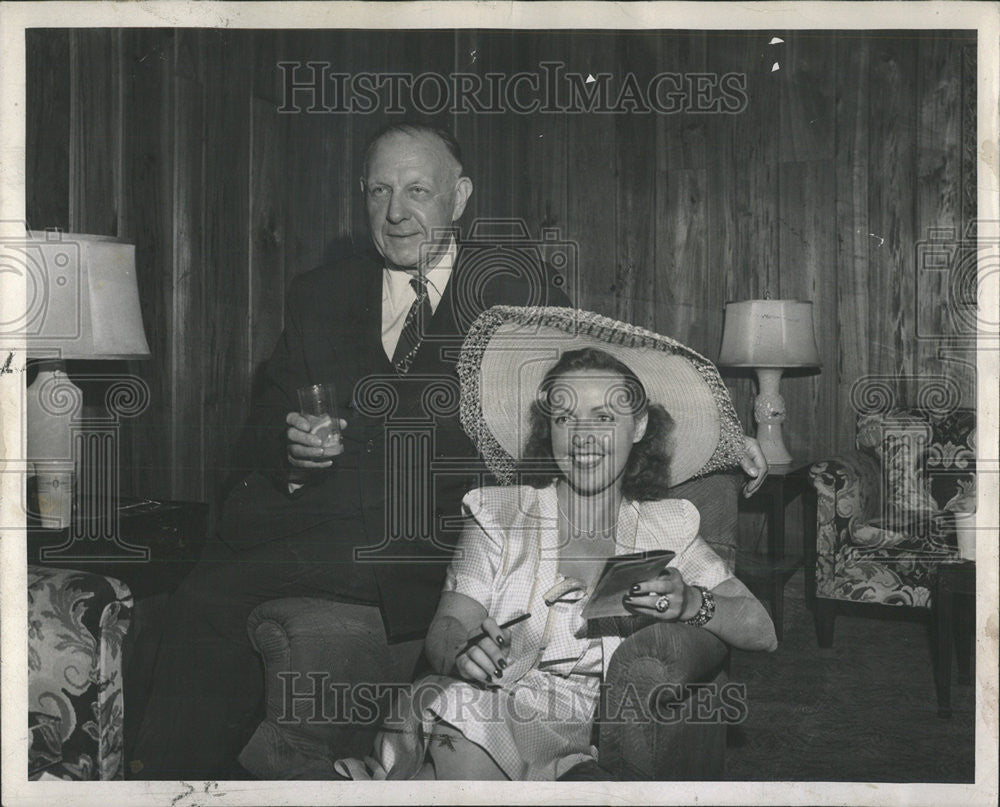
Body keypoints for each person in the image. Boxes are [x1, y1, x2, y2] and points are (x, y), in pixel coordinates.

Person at [132, 121, 769, 779]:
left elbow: (604, 377)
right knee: (204, 592)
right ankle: (171, 783)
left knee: (213, 592)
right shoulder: (319, 293)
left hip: (437, 538)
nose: (396, 211)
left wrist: (721, 439)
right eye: (379, 191)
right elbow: (264, 421)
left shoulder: (512, 286)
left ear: (459, 196)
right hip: (316, 523)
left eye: (417, 190)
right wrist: (290, 445)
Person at [334, 306, 777, 781]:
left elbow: (762, 631)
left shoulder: (668, 525)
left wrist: (692, 603)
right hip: (468, 702)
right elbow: (447, 625)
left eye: (604, 415)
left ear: (640, 427)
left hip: (559, 730)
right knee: (461, 714)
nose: (583, 436)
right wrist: (462, 651)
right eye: (565, 417)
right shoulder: (500, 513)